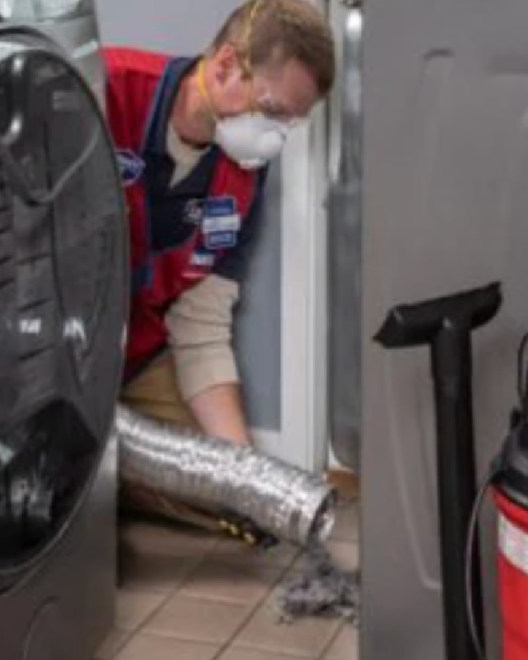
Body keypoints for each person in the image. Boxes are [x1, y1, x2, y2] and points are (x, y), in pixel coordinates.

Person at [103, 0, 336, 539]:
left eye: (292, 123)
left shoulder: (243, 175)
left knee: (222, 494)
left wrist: (246, 479)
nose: (277, 136)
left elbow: (202, 328)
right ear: (227, 67)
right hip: (50, 360)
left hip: (134, 360)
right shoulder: (104, 90)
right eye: (273, 111)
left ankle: (102, 472)